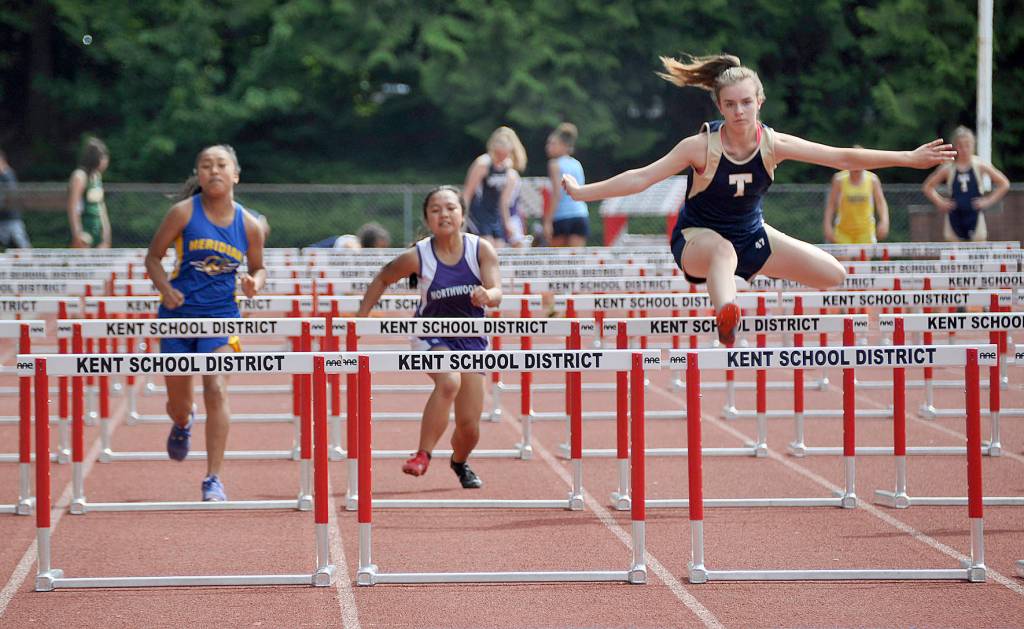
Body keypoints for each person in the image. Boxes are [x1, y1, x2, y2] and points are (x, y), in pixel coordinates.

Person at [562, 53, 956, 345]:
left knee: (833, 274)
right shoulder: (699, 147)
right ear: (719, 106)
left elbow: (840, 156)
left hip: (749, 233)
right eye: (730, 104)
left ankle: (743, 280)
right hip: (697, 240)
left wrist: (908, 158)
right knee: (722, 254)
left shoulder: (774, 145)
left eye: (746, 103)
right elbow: (640, 178)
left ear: (759, 103)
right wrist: (583, 193)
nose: (738, 111)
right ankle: (726, 319)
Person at [356, 186, 502, 488]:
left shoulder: (480, 249)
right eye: (435, 210)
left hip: (473, 339)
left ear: (462, 214)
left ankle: (459, 462)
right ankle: (423, 453)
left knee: (470, 428)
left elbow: (497, 292)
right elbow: (383, 276)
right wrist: (361, 319)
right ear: (427, 218)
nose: (444, 214)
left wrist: (487, 295)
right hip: (431, 334)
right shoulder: (418, 256)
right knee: (449, 381)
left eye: (450, 208)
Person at [144, 145, 266, 501]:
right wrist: (165, 289)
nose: (213, 171)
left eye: (221, 165)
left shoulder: (249, 224)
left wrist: (253, 283)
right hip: (178, 319)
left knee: (216, 388)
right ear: (198, 174)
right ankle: (183, 422)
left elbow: (258, 267)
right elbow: (153, 258)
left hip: (221, 317)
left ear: (235, 175)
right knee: (179, 404)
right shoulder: (182, 213)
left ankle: (213, 478)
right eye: (206, 166)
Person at [922, 126, 1010, 242]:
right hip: (954, 216)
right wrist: (940, 202)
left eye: (967, 145)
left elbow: (1004, 183)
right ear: (955, 146)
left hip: (975, 216)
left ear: (973, 145)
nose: (964, 149)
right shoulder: (948, 167)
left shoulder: (980, 165)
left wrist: (988, 201)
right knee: (953, 253)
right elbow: (927, 187)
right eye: (960, 145)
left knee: (978, 253)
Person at [462, 126, 527, 247]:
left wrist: (507, 222)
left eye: (505, 154)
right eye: (499, 153)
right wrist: (462, 217)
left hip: (495, 215)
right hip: (478, 213)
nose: (502, 157)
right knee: (486, 246)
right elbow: (468, 193)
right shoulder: (483, 164)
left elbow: (504, 201)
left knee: (499, 247)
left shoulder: (507, 168)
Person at [823, 151, 890, 245]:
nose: (857, 166)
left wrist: (884, 221)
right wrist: (827, 225)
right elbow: (831, 204)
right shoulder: (839, 179)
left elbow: (880, 203)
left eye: (860, 161)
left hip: (865, 230)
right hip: (843, 230)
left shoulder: (872, 180)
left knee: (863, 258)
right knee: (843, 259)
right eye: (854, 162)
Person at [544, 123, 590, 247]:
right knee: (576, 261)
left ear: (564, 146)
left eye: (553, 144)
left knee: (558, 263)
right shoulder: (577, 164)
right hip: (580, 214)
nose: (548, 147)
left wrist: (547, 221)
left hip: (561, 216)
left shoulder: (554, 164)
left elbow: (556, 194)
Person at [66, 137, 112, 248]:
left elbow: (101, 206)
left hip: (97, 229)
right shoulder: (80, 176)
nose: (106, 162)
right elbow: (73, 207)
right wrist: (77, 233)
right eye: (103, 158)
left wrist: (106, 233)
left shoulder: (97, 177)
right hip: (84, 228)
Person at [0, 148, 31, 249]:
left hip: (9, 219)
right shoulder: (8, 175)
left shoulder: (7, 176)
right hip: (8, 220)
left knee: (22, 247)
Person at [308, 222, 391, 249]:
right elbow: (351, 246)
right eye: (381, 247)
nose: (382, 251)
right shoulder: (353, 242)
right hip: (321, 250)